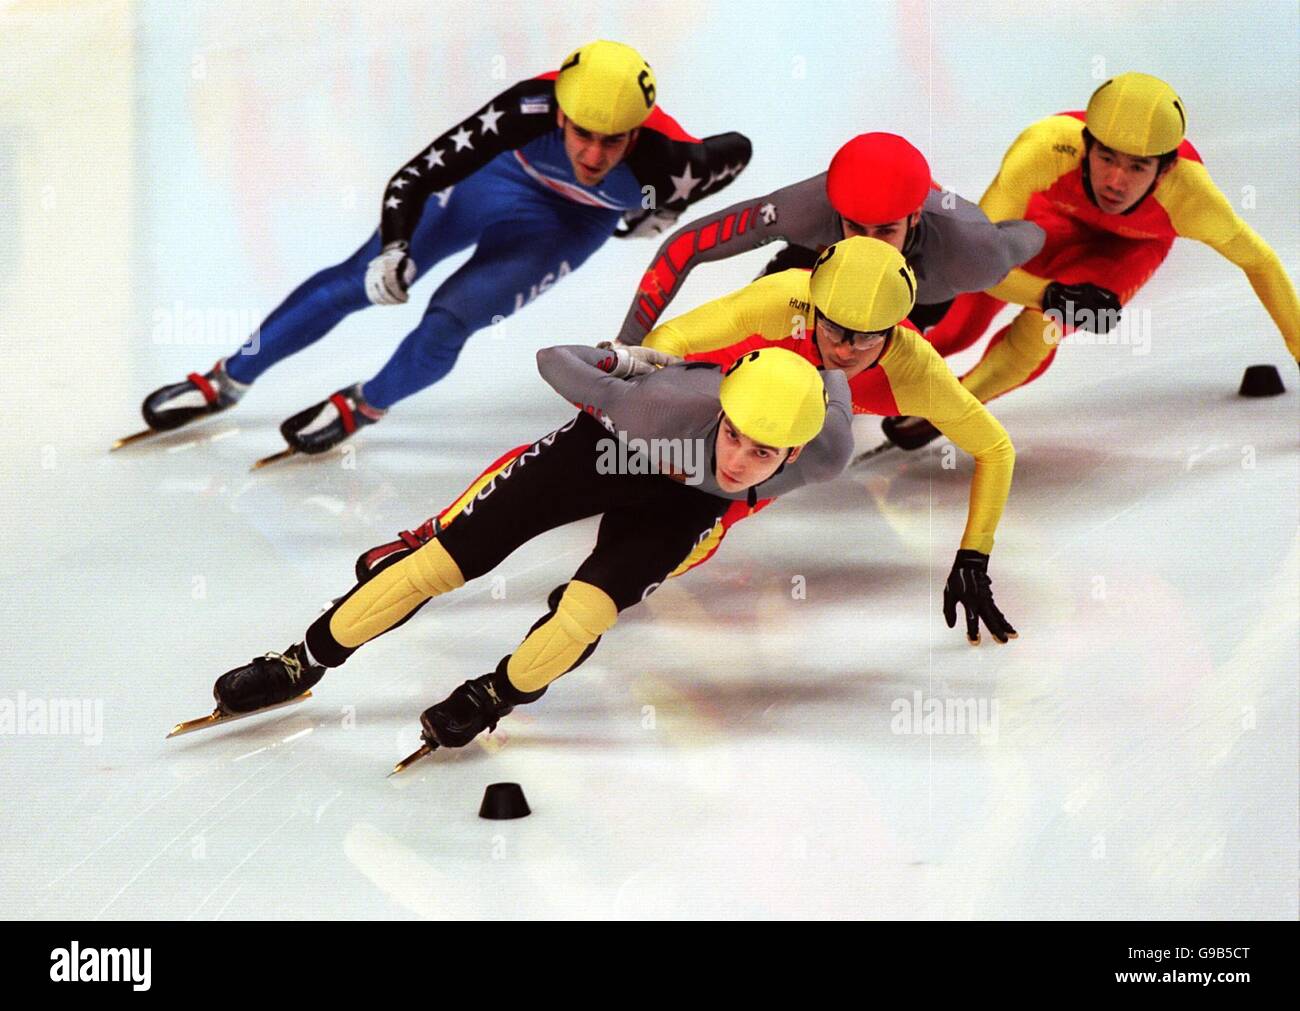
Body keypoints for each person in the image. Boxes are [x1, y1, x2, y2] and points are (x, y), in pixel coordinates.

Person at [206, 333, 859, 751]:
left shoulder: (825, 455)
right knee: (442, 561)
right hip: (608, 452)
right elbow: (552, 358)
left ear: (797, 451)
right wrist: (623, 359)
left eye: (763, 451)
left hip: (685, 505)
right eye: (735, 434)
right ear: (723, 412)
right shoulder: (655, 405)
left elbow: (834, 376)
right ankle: (302, 661)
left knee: (585, 612)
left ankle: (495, 694)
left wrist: (824, 365)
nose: (741, 459)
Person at [135, 40, 752, 455]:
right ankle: (225, 379)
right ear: (559, 115)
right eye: (582, 134)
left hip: (568, 228)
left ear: (637, 133)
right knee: (361, 278)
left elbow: (737, 151)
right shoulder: (523, 110)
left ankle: (364, 405)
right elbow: (416, 177)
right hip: (501, 183)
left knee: (450, 319)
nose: (593, 155)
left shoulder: (673, 164)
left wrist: (665, 209)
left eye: (613, 142)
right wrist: (394, 248)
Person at [887, 72, 1300, 450]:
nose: (1116, 182)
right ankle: (874, 367)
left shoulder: (1192, 199)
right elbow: (975, 259)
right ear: (1085, 145)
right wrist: (1048, 292)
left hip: (1127, 250)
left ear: (1166, 169)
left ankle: (954, 405)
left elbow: (1261, 262)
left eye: (1137, 167)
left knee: (1042, 327)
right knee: (959, 319)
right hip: (1051, 222)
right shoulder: (1044, 146)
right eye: (1106, 158)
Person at [641, 236, 1019, 644]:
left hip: (784, 424)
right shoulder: (785, 297)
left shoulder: (917, 374)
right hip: (716, 382)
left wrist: (973, 557)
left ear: (892, 330)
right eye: (833, 327)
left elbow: (995, 449)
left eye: (866, 337)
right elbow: (668, 339)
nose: (843, 348)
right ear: (814, 307)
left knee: (705, 519)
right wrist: (660, 417)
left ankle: (610, 591)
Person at [615, 132, 1044, 342]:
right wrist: (628, 348)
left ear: (915, 216)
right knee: (748, 339)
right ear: (835, 212)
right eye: (855, 226)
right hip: (810, 266)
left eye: (884, 231)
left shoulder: (972, 250)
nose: (866, 245)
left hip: (916, 298)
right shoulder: (805, 208)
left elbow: (1033, 233)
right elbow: (686, 246)